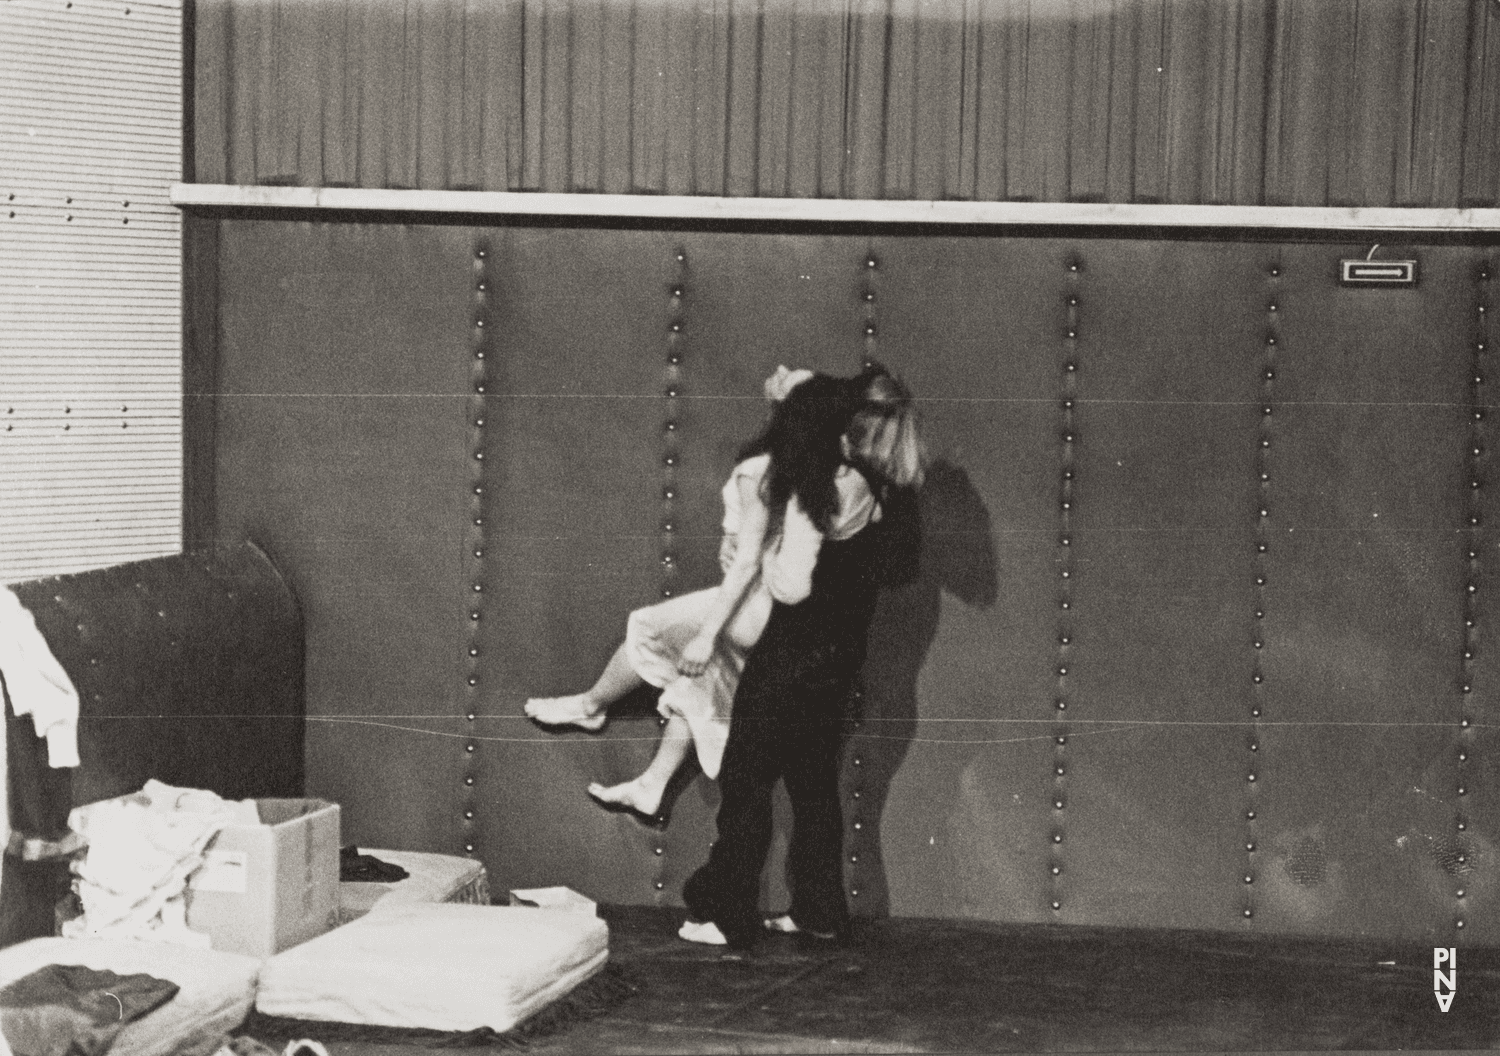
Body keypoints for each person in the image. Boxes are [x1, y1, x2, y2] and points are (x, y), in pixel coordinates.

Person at [523, 365, 879, 819]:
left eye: (791, 379)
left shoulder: (762, 471)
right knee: (699, 686)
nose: (780, 371)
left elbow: (748, 559)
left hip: (751, 603)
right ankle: (653, 785)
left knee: (649, 627)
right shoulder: (814, 467)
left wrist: (708, 633)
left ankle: (591, 705)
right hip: (778, 619)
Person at [678, 367, 925, 950]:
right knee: (813, 784)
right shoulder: (882, 480)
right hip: (840, 658)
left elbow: (790, 586)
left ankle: (725, 911)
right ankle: (818, 910)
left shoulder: (824, 484)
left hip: (793, 651)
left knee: (746, 777)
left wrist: (761, 552)